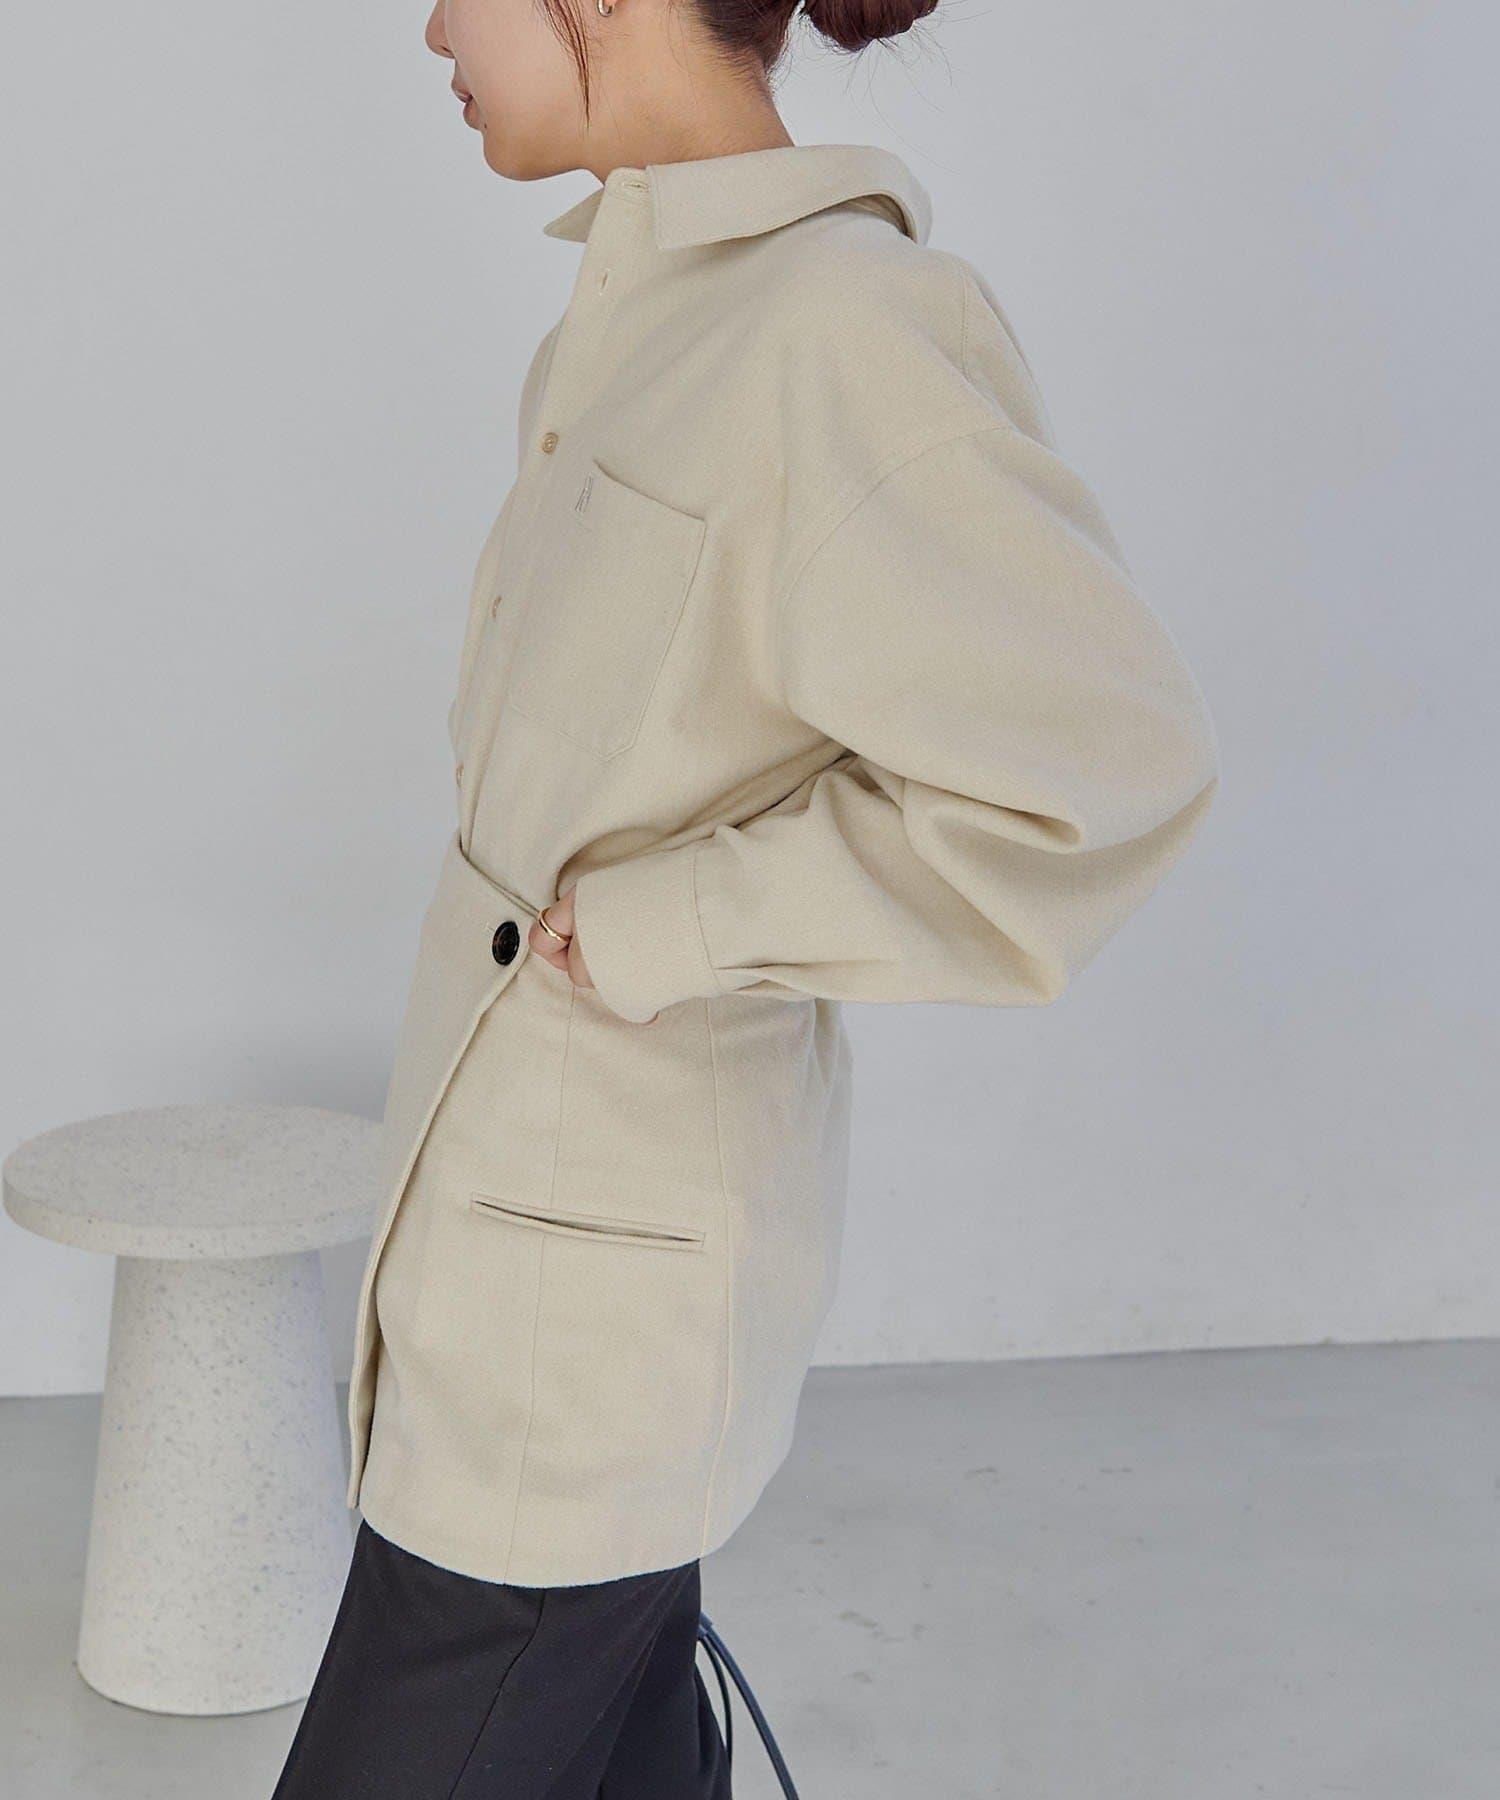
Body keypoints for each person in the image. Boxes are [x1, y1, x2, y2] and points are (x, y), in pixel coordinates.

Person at [271, 0, 1221, 1788]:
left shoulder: (841, 332)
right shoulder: (641, 303)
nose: (431, 25)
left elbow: (1102, 772)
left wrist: (681, 920)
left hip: (588, 1327)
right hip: (515, 1249)